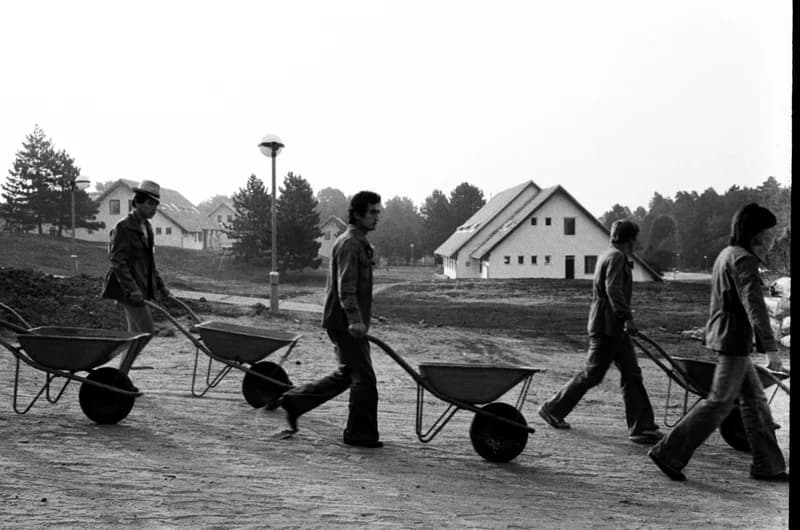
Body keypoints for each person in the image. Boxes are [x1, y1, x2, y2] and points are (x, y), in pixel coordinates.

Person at [648, 203, 788, 482]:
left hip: (726, 336)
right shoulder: (744, 260)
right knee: (719, 402)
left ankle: (768, 466)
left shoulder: (727, 254)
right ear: (755, 234)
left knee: (755, 400)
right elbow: (755, 307)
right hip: (733, 340)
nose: (772, 238)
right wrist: (771, 350)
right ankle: (668, 452)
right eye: (768, 232)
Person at [537, 219, 664, 444]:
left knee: (632, 373)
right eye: (635, 237)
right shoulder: (616, 257)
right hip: (607, 326)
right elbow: (613, 289)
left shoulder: (609, 254)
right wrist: (628, 318)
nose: (637, 241)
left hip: (612, 326)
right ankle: (552, 408)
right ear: (629, 238)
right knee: (592, 374)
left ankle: (641, 427)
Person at [279, 191, 383, 448]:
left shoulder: (359, 243)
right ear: (357, 214)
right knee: (365, 380)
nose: (376, 217)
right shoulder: (349, 244)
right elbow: (345, 287)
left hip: (345, 321)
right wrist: (356, 320)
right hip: (344, 322)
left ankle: (294, 402)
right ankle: (359, 434)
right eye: (372, 212)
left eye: (378, 212)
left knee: (349, 374)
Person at [100, 180, 170, 373]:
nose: (153, 208)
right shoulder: (123, 227)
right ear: (137, 202)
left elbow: (150, 265)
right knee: (146, 331)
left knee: (137, 335)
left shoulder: (146, 228)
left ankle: (120, 378)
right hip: (126, 290)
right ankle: (120, 377)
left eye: (156, 204)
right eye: (149, 203)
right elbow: (118, 262)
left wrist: (162, 288)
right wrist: (133, 290)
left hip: (138, 289)